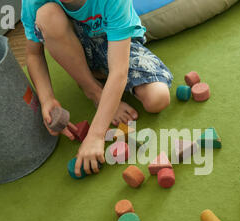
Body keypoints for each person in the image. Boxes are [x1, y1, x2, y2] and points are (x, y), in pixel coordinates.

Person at [21, 0, 173, 176]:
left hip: (116, 44)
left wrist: (96, 135)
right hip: (74, 45)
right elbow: (33, 55)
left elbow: (118, 72)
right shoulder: (33, 2)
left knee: (158, 98)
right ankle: (93, 90)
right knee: (47, 14)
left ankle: (101, 79)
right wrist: (46, 98)